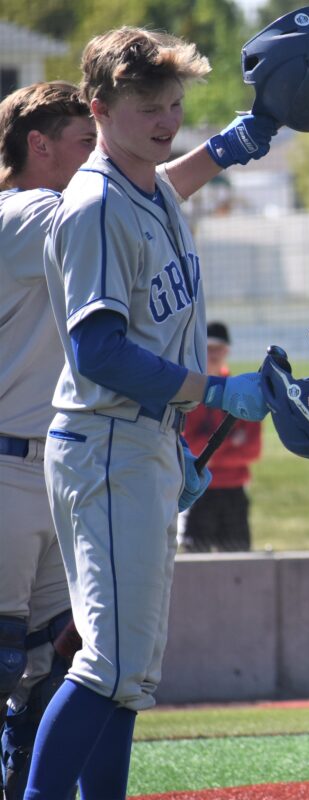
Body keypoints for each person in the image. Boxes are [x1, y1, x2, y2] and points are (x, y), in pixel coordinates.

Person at [26, 28, 279, 798]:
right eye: (146, 106)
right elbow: (99, 352)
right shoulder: (97, 203)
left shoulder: (148, 184)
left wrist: (239, 140)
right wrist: (212, 393)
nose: (166, 119)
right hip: (106, 442)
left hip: (138, 441)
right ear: (99, 109)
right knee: (108, 662)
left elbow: (174, 172)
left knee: (131, 673)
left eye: (173, 104)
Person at [0, 80, 95, 800]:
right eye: (83, 138)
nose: (97, 155)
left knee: (53, 660)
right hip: (4, 468)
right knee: (8, 661)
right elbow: (117, 206)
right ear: (39, 145)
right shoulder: (26, 211)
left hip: (53, 466)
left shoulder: (61, 219)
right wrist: (219, 152)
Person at [178, 322, 263, 553]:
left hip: (234, 490)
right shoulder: (190, 395)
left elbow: (253, 449)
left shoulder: (242, 393)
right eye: (209, 348)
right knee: (197, 561)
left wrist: (212, 448)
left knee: (239, 562)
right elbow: (190, 448)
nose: (213, 355)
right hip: (198, 491)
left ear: (227, 351)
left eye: (219, 348)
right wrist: (232, 442)